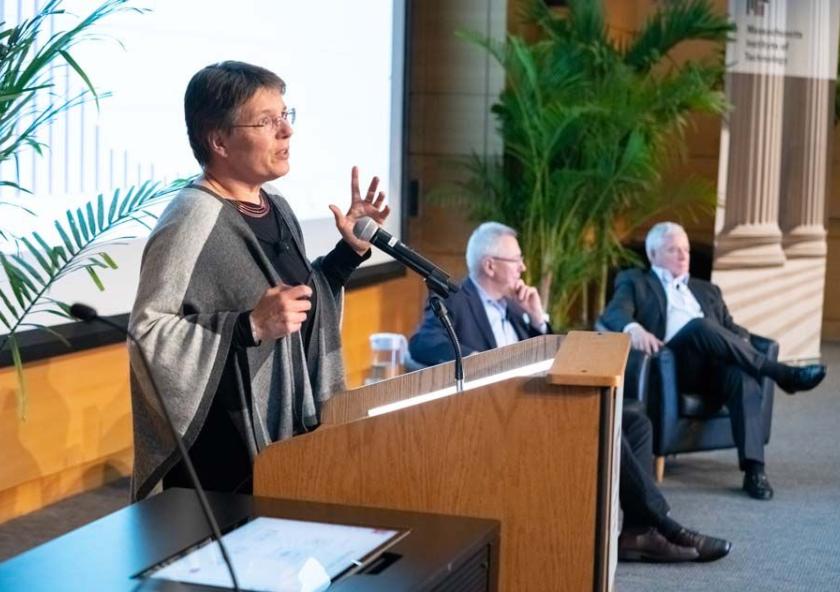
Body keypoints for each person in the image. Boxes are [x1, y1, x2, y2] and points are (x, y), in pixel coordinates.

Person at [128, 61, 389, 501]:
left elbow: (298, 307)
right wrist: (247, 327)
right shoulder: (191, 219)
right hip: (221, 459)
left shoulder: (278, 207)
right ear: (218, 140)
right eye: (267, 121)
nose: (285, 132)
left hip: (281, 437)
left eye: (286, 116)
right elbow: (147, 335)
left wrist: (349, 253)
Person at [410, 222, 731, 562]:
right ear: (490, 266)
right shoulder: (456, 301)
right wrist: (479, 361)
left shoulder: (516, 307)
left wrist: (538, 319)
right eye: (516, 260)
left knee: (635, 422)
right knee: (603, 421)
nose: (523, 267)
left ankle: (640, 532)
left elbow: (561, 353)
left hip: (539, 402)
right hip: (499, 417)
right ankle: (666, 526)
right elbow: (423, 342)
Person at [598, 221, 827, 500]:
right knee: (700, 326)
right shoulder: (635, 281)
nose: (683, 256)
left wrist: (742, 341)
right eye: (673, 250)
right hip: (672, 366)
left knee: (742, 378)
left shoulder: (707, 291)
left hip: (713, 368)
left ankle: (754, 471)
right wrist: (633, 329)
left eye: (686, 250)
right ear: (653, 255)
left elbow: (731, 329)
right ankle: (780, 374)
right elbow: (613, 314)